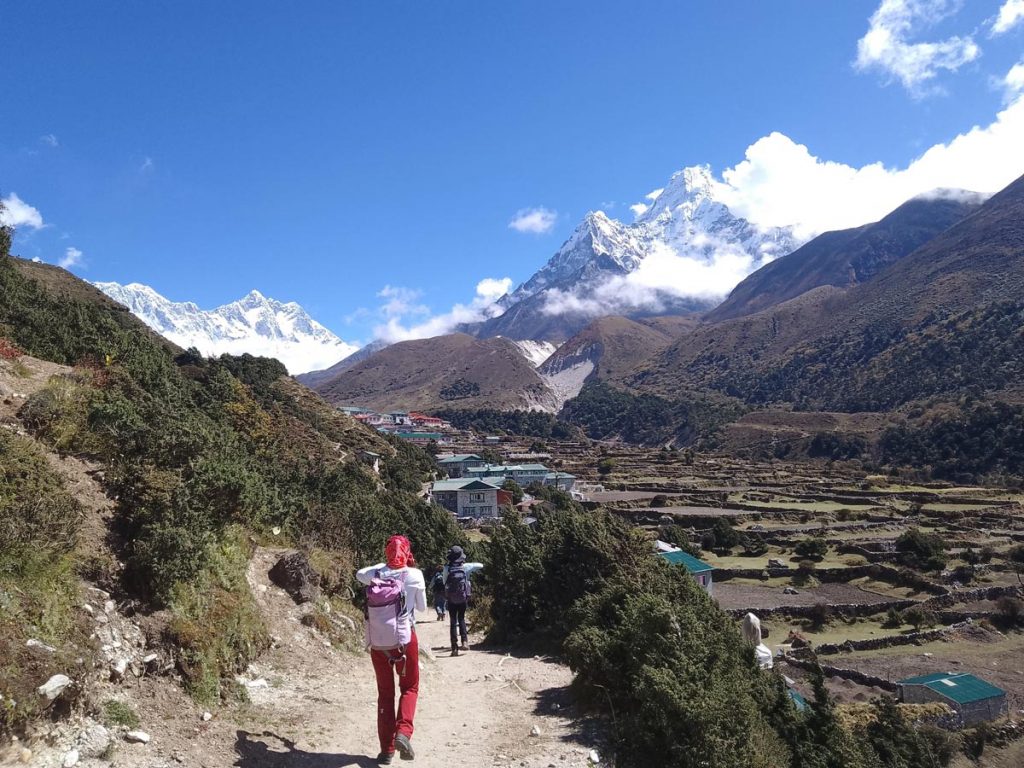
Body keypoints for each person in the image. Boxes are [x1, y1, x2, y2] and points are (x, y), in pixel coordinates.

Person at [356, 535, 427, 765]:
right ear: (407, 552)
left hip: (378, 644)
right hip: (405, 641)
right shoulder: (415, 575)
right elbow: (423, 609)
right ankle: (403, 733)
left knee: (385, 694)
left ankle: (386, 751)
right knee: (410, 687)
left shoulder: (374, 574)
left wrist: (384, 566)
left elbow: (359, 573)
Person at [442, 545, 483, 657]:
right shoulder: (466, 567)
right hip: (463, 598)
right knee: (461, 619)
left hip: (451, 599)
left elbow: (444, 582)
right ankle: (465, 641)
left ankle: (454, 648)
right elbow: (480, 565)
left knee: (453, 621)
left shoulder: (447, 568)